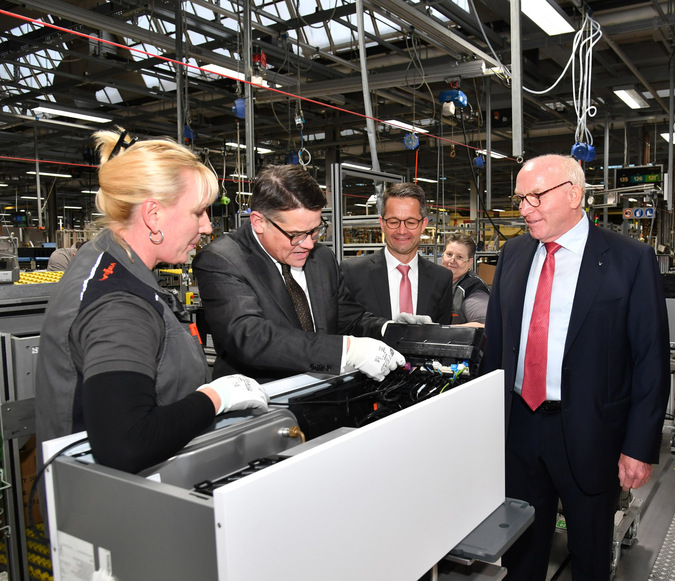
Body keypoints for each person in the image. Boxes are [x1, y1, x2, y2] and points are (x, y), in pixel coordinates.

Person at [35, 128, 269, 474]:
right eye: (198, 212)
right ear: (153, 215)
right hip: (110, 507)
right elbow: (126, 444)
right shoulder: (118, 304)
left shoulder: (109, 260)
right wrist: (216, 398)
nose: (207, 227)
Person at [482, 154, 670, 580]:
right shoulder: (513, 254)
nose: (524, 208)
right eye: (520, 198)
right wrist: (487, 425)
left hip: (591, 432)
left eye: (534, 197)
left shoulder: (628, 258)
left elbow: (650, 359)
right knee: (521, 552)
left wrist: (639, 447)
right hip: (520, 428)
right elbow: (496, 348)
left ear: (573, 193)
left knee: (589, 552)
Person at [193, 164, 408, 384]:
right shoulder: (222, 260)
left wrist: (390, 328)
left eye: (314, 231)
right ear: (259, 222)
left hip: (323, 399)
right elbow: (249, 338)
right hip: (265, 407)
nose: (307, 244)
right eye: (295, 234)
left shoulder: (321, 258)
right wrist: (348, 350)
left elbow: (349, 319)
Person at [339, 182, 453, 324]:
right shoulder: (353, 273)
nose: (402, 231)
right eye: (393, 222)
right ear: (382, 224)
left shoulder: (441, 278)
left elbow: (441, 336)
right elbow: (344, 326)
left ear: (423, 225)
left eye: (410, 222)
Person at [441, 233, 489, 325]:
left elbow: (485, 325)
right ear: (443, 255)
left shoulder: (472, 289)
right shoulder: (437, 280)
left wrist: (442, 331)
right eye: (449, 254)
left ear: (470, 262)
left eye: (460, 257)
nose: (452, 260)